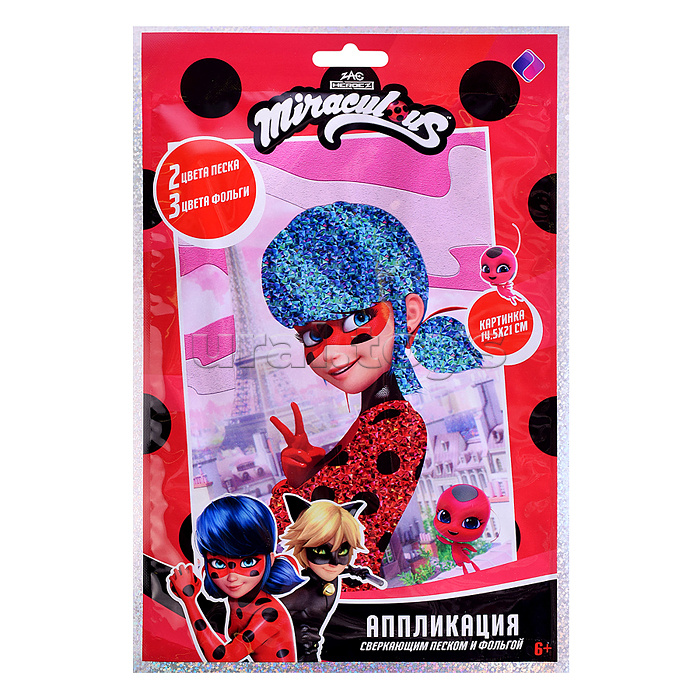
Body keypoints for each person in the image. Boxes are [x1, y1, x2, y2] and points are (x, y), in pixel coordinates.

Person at [261, 201, 482, 575]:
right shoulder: (378, 424)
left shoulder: (395, 429)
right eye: (313, 334)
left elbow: (328, 546)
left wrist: (295, 492)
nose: (332, 352)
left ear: (408, 313)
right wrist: (305, 481)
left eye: (357, 318)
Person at [167, 494, 303, 662]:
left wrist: (189, 600)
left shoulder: (269, 614)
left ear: (270, 559)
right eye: (218, 563)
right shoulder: (238, 600)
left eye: (247, 562)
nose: (232, 577)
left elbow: (223, 659)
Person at [279, 495, 385, 661]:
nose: (335, 562)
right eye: (321, 551)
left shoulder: (327, 574)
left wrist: (353, 572)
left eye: (342, 551)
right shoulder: (301, 593)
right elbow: (267, 612)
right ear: (304, 548)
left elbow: (336, 571)